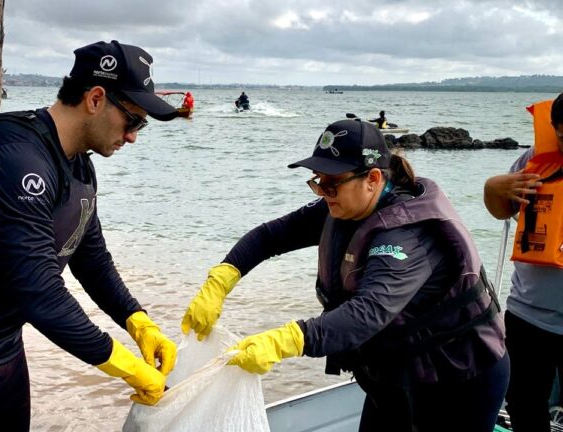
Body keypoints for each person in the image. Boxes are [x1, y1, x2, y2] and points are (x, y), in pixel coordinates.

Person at [0, 40, 179, 431]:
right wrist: (127, 367)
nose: (133, 137)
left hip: (2, 348)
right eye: (133, 121)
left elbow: (91, 258)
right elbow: (39, 290)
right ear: (95, 98)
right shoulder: (11, 156)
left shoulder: (78, 167)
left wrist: (138, 321)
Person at [181, 119, 509, 432]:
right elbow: (270, 237)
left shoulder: (406, 235)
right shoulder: (344, 206)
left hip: (459, 377)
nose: (323, 192)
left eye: (333, 182)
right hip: (397, 372)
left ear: (374, 178)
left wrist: (285, 340)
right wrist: (221, 280)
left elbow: (367, 314)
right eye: (318, 180)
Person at [484, 93, 563, 432]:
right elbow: (503, 211)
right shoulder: (535, 160)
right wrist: (493, 188)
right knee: (523, 403)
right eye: (561, 133)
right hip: (529, 313)